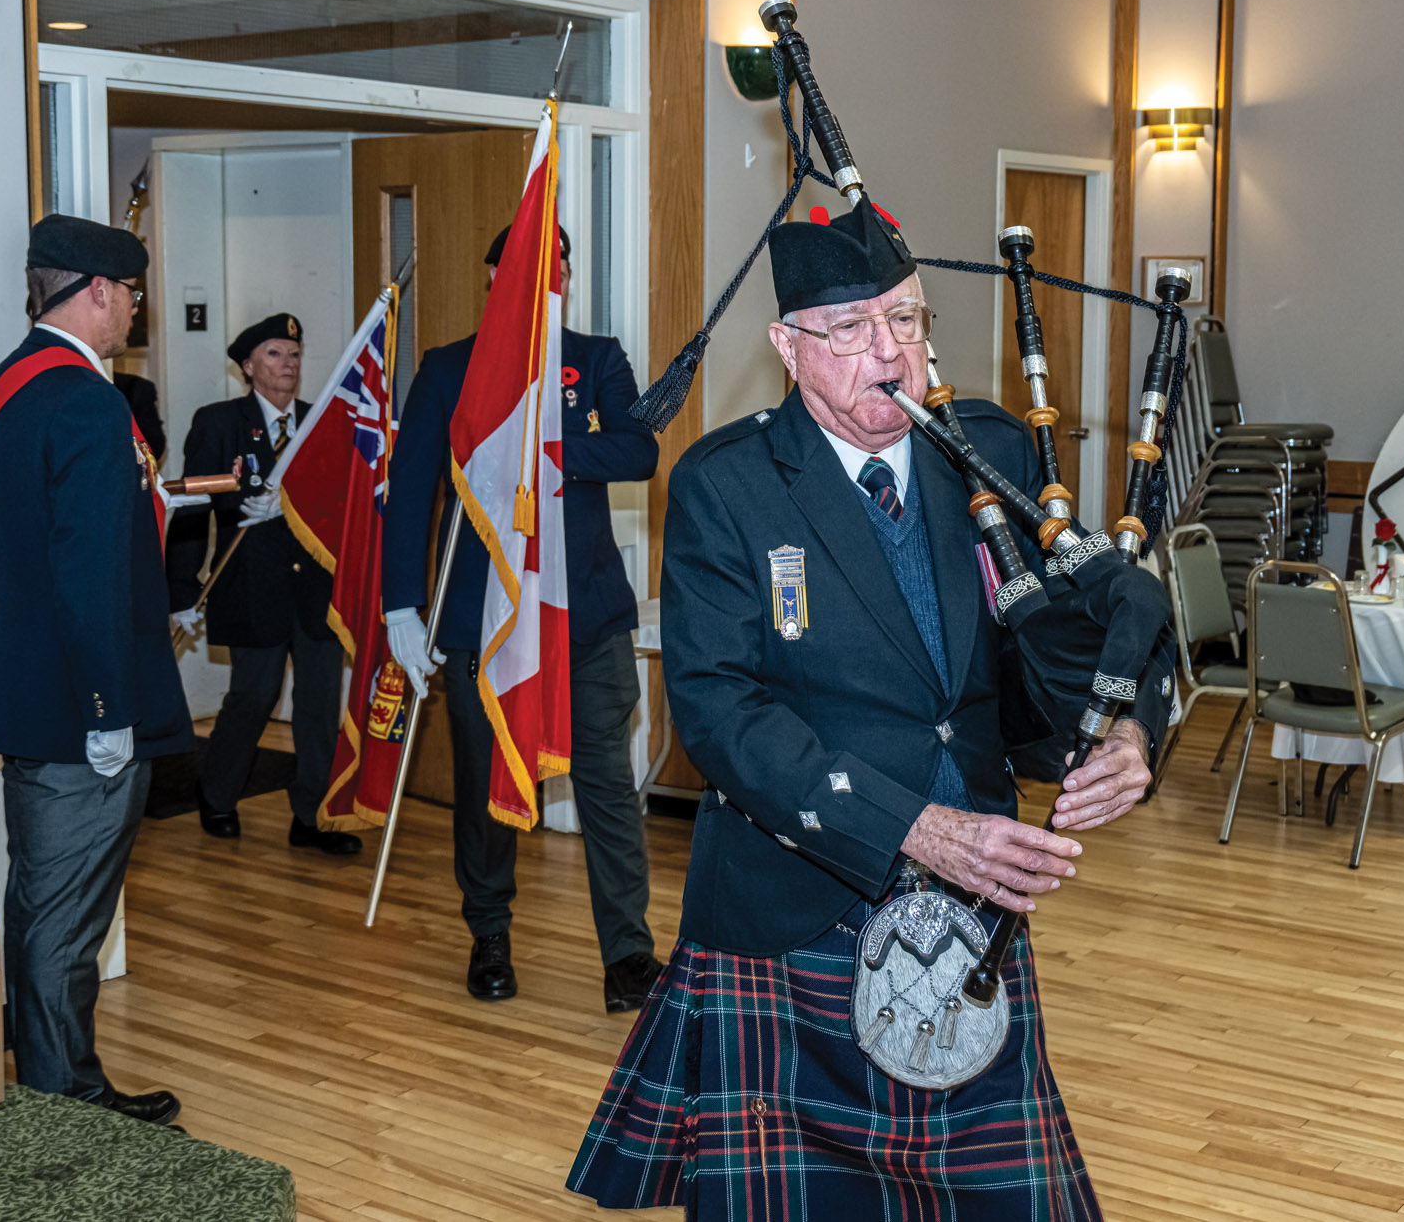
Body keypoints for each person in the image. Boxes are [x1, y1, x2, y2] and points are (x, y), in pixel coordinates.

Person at [568, 203, 1171, 1216]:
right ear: (789, 348)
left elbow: (1093, 611)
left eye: (905, 320)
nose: (889, 352)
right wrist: (914, 828)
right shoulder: (728, 483)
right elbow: (719, 713)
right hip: (798, 891)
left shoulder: (983, 453)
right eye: (851, 330)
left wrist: (1127, 723)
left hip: (970, 907)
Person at [381, 224, 663, 1013]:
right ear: (495, 277)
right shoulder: (446, 370)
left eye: (561, 261)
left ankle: (629, 956)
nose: (552, 273)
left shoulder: (596, 357)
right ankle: (490, 934)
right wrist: (401, 604)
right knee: (485, 783)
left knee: (608, 784)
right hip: (486, 620)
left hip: (588, 621)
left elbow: (638, 451)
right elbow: (410, 493)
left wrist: (546, 443)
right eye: (532, 263)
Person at [0, 214, 192, 1126]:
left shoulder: (2, 387)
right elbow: (90, 571)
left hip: (24, 687)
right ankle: (66, 1103)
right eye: (131, 295)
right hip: (77, 705)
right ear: (97, 291)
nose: (135, 310)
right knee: (66, 918)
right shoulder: (89, 401)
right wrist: (107, 708)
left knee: (37, 899)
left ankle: (51, 1075)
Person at [165, 314, 359, 857]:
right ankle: (218, 795)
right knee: (253, 697)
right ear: (248, 367)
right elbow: (191, 506)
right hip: (251, 586)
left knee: (320, 704)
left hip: (314, 590)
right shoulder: (219, 422)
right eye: (274, 355)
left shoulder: (323, 422)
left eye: (294, 354)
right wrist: (181, 590)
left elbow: (342, 502)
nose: (288, 365)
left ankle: (312, 816)